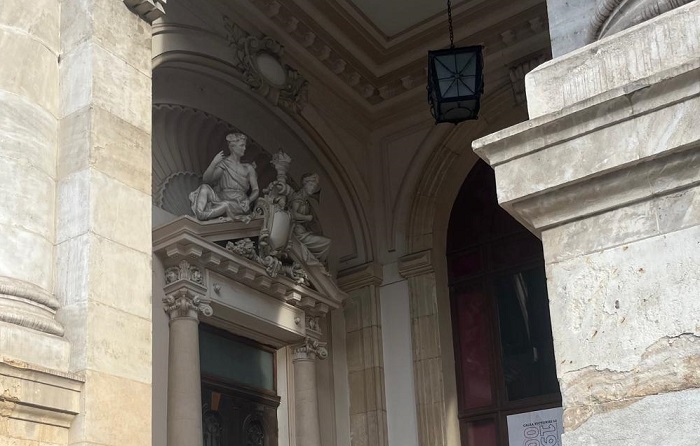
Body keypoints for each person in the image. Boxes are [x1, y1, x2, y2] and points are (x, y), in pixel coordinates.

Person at [189, 133, 259, 221]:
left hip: (239, 203)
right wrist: (214, 163)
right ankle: (200, 213)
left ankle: (204, 215)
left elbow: (256, 189)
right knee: (204, 188)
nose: (244, 148)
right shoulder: (224, 164)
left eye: (244, 146)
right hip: (221, 199)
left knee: (226, 205)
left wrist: (249, 200)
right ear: (233, 147)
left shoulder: (248, 168)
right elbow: (206, 180)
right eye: (242, 145)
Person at [290, 173, 330, 264]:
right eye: (311, 185)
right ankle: (314, 264)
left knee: (326, 242)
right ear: (305, 184)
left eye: (314, 186)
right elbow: (293, 214)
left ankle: (315, 263)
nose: (313, 188)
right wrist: (307, 217)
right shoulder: (298, 197)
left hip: (302, 231)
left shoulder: (305, 201)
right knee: (326, 242)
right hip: (297, 232)